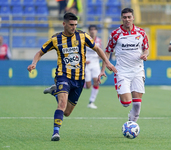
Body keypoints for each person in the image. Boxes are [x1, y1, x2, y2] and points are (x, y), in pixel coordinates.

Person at [27, 12, 117, 141]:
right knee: (62, 104)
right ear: (64, 24)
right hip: (63, 76)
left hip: (79, 79)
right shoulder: (55, 39)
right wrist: (34, 63)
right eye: (71, 25)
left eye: (75, 24)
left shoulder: (82, 36)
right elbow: (40, 52)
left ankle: (54, 92)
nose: (74, 27)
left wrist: (107, 63)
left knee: (67, 112)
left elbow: (97, 49)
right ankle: (55, 132)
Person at [98, 8, 149, 123]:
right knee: (126, 103)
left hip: (138, 71)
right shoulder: (116, 34)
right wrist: (103, 69)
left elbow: (146, 49)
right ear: (122, 18)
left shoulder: (141, 32)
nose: (127, 19)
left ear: (133, 18)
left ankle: (132, 124)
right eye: (125, 17)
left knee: (137, 104)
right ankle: (121, 93)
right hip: (122, 71)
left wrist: (145, 55)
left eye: (129, 17)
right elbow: (107, 51)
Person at [85, 25, 102, 109]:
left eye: (94, 30)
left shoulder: (99, 40)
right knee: (88, 86)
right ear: (89, 31)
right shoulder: (85, 40)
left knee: (96, 81)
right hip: (87, 64)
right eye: (91, 29)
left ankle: (91, 102)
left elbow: (100, 51)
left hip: (95, 63)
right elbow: (80, 51)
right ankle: (79, 84)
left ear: (96, 31)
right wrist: (84, 60)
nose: (92, 31)